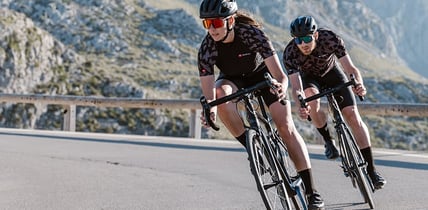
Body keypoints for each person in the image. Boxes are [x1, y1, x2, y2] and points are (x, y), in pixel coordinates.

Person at [197, 1, 325, 209]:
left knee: (286, 128)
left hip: (263, 77)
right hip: (232, 80)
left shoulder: (251, 34)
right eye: (207, 23)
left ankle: (312, 192)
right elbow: (210, 95)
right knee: (221, 95)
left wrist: (281, 88)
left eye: (216, 22)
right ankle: (252, 147)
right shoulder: (207, 47)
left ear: (230, 20)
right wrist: (210, 110)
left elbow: (280, 77)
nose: (212, 29)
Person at [282, 15, 386, 189]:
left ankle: (372, 171)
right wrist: (301, 105)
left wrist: (359, 84)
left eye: (307, 38)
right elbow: (296, 88)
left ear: (315, 35)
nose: (303, 44)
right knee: (310, 99)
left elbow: (351, 69)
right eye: (298, 40)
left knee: (352, 116)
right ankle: (328, 141)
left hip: (332, 74)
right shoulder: (290, 53)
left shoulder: (330, 38)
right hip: (309, 80)